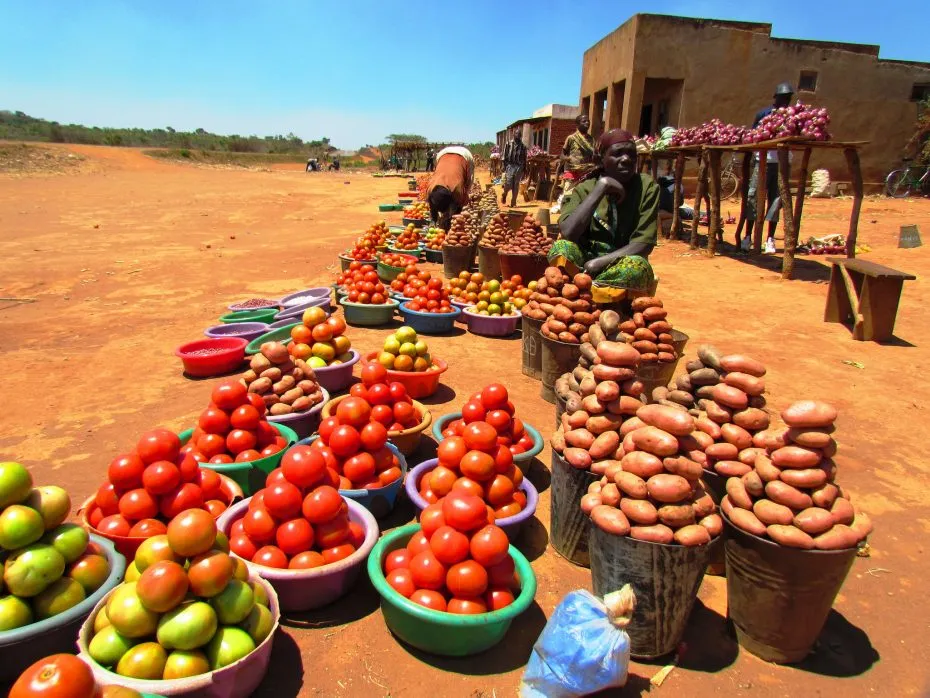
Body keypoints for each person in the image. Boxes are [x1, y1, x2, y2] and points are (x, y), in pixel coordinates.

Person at [549, 129, 657, 289]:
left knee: (637, 268)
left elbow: (643, 244)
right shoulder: (585, 188)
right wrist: (601, 188)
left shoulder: (646, 186)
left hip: (621, 262)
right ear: (601, 159)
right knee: (560, 248)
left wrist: (599, 263)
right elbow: (568, 232)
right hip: (584, 260)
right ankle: (580, 289)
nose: (626, 159)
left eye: (631, 154)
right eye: (618, 153)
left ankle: (590, 290)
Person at [747, 82, 794, 254]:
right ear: (776, 98)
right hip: (763, 161)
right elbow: (753, 135)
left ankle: (770, 239)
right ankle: (748, 236)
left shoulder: (793, 116)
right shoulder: (764, 114)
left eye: (788, 98)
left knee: (776, 200)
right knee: (753, 198)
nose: (785, 101)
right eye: (783, 98)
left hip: (782, 163)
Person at [427, 145, 475, 230]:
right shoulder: (430, 190)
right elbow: (432, 204)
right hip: (442, 154)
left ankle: (451, 226)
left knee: (464, 190)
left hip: (465, 156)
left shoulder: (457, 190)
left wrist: (451, 219)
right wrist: (433, 220)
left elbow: (462, 200)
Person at [561, 114, 596, 192]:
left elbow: (594, 154)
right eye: (584, 121)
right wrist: (567, 159)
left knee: (584, 196)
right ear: (577, 124)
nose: (587, 123)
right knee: (568, 196)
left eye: (588, 121)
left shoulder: (591, 139)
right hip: (572, 173)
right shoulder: (571, 138)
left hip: (586, 173)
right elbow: (563, 154)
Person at [502, 133, 527, 207]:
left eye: (519, 134)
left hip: (519, 167)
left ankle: (513, 202)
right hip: (510, 165)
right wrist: (504, 165)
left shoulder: (523, 146)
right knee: (508, 183)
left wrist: (524, 169)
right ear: (513, 135)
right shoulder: (508, 144)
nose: (518, 136)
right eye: (516, 134)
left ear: (520, 136)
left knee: (516, 185)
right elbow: (504, 155)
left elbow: (525, 158)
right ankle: (504, 194)